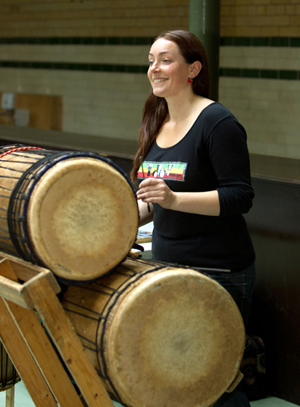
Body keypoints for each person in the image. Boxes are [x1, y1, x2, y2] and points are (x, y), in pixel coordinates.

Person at [130, 30, 255, 407]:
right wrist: (112, 224)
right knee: (178, 379)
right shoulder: (157, 122)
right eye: (151, 60)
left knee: (214, 383)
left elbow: (240, 196)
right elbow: (150, 201)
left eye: (165, 59)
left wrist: (174, 198)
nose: (155, 68)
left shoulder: (217, 122)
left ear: (193, 68)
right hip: (168, 267)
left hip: (217, 270)